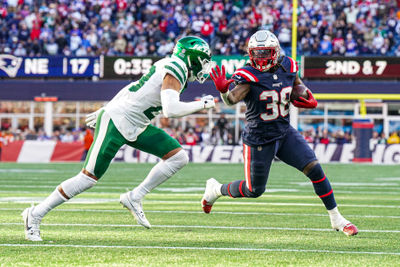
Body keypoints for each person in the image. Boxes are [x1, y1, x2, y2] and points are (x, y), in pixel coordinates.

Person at [22, 36, 216, 241]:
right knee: (87, 178)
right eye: (203, 61)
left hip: (137, 124)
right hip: (119, 120)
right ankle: (34, 215)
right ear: (192, 57)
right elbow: (170, 110)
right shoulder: (177, 67)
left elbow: (133, 86)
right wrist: (202, 104)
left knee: (178, 157)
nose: (204, 67)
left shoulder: (172, 65)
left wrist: (106, 106)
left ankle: (135, 197)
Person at [201, 30, 358, 236]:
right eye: (256, 53)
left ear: (275, 51)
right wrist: (223, 91)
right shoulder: (248, 75)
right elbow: (232, 99)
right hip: (259, 138)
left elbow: (298, 85)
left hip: (284, 132)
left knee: (315, 170)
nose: (260, 57)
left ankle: (337, 219)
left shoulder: (289, 66)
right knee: (254, 190)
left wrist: (306, 95)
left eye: (265, 52)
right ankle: (215, 190)